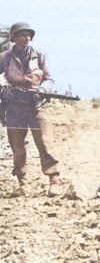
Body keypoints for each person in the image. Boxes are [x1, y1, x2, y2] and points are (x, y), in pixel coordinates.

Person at [0, 22, 61, 196]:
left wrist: (42, 90)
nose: (26, 39)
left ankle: (54, 180)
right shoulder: (4, 57)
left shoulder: (39, 56)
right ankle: (23, 184)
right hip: (14, 106)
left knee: (45, 142)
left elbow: (49, 79)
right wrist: (3, 91)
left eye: (29, 35)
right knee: (17, 147)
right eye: (22, 35)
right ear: (13, 38)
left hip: (36, 105)